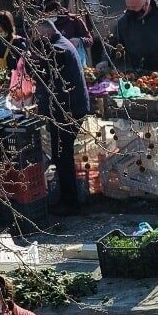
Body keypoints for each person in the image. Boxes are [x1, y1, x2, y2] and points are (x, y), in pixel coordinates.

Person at [27, 18, 91, 215]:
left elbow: (43, 77)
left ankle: (70, 203)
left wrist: (30, 63)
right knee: (60, 154)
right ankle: (66, 198)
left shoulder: (57, 50)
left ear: (44, 34)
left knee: (63, 156)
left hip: (67, 110)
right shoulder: (62, 44)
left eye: (35, 37)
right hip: (68, 108)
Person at [42, 0, 93, 68]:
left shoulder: (73, 20)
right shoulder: (44, 25)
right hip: (55, 64)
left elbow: (89, 40)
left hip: (75, 61)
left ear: (57, 10)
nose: (49, 17)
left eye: (50, 13)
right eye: (45, 15)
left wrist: (79, 40)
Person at [0, 11, 28, 81]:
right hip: (7, 83)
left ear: (8, 29)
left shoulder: (18, 44)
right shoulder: (19, 43)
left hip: (7, 84)